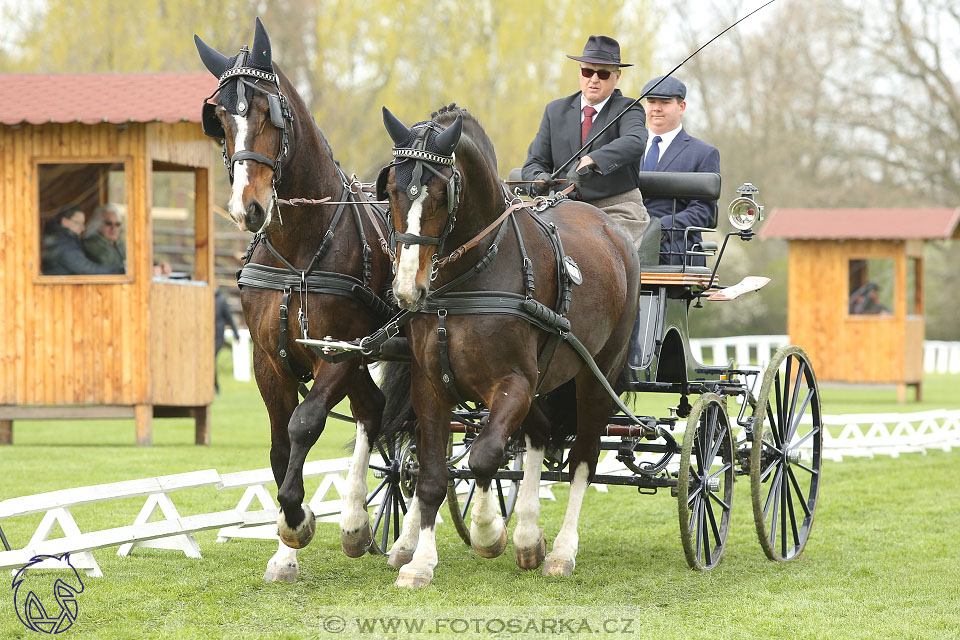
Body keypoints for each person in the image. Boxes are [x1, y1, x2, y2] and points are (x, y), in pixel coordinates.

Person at [521, 35, 650, 247]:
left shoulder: (629, 108)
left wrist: (592, 160)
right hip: (562, 209)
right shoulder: (555, 110)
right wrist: (537, 179)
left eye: (603, 73)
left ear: (617, 76)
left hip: (617, 209)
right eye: (588, 71)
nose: (594, 79)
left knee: (594, 252)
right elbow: (534, 162)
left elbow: (636, 141)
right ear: (580, 72)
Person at [640, 75, 721, 267]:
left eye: (665, 103)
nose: (656, 108)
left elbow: (704, 211)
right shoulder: (628, 148)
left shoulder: (703, 153)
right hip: (623, 247)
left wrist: (659, 228)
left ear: (681, 107)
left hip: (674, 251)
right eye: (651, 102)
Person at [41, 206, 125, 276]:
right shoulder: (63, 243)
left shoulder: (61, 239)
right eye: (79, 223)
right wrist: (122, 270)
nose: (82, 228)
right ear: (65, 221)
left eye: (118, 224)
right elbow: (87, 269)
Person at [83, 203, 126, 270]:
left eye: (117, 224)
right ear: (97, 224)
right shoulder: (91, 244)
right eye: (108, 223)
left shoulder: (117, 243)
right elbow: (108, 263)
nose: (113, 228)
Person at [214, 289, 239, 393]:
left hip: (218, 336)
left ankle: (215, 387)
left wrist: (236, 335)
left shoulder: (222, 300)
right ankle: (214, 387)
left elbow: (229, 319)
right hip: (208, 335)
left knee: (211, 361)